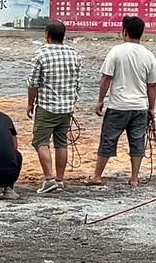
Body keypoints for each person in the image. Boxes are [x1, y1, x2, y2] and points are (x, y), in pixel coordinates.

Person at [89, 16, 156, 188]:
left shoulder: (116, 51)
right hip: (140, 107)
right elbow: (152, 86)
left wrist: (99, 101)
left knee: (108, 140)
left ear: (124, 32)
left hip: (118, 106)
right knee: (137, 142)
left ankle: (97, 176)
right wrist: (151, 108)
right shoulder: (149, 56)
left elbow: (106, 78)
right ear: (141, 33)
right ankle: (134, 178)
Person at [27, 21, 82, 194]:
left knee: (40, 141)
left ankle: (49, 178)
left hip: (47, 106)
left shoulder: (41, 54)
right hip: (67, 107)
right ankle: (59, 179)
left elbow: (33, 83)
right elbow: (77, 83)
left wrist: (30, 103)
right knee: (61, 143)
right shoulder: (74, 54)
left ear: (47, 34)